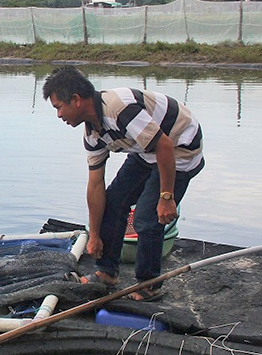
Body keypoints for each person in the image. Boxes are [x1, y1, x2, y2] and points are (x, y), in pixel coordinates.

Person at [42, 66, 203, 300]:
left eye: (59, 107)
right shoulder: (93, 134)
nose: (59, 115)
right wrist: (94, 235)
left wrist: (166, 197)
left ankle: (149, 285)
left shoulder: (120, 109)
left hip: (180, 148)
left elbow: (164, 145)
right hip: (146, 151)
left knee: (147, 217)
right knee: (114, 201)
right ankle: (107, 272)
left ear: (76, 100)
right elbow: (95, 186)